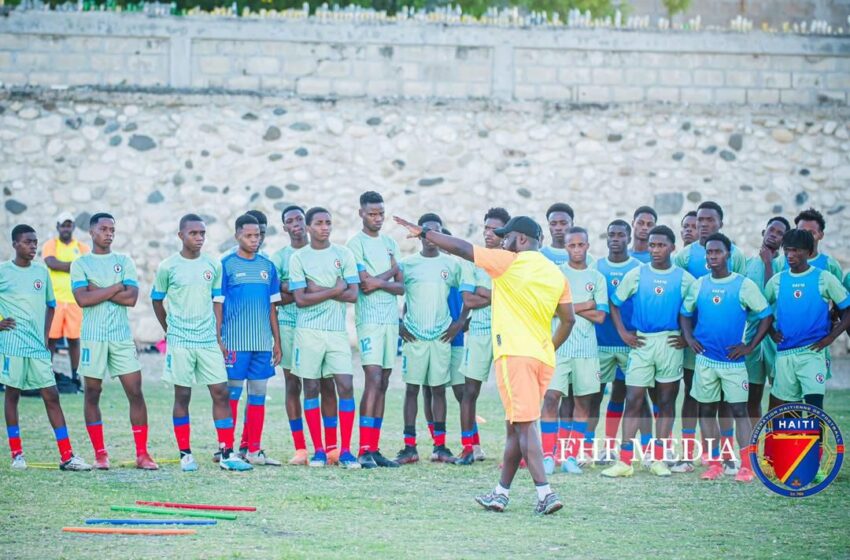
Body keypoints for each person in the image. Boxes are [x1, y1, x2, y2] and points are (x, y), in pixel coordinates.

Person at [395, 214, 575, 515]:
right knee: (515, 426)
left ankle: (545, 493)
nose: (501, 241)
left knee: (525, 424)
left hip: (515, 355)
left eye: (505, 237)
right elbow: (568, 319)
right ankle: (500, 493)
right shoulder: (556, 274)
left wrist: (426, 233)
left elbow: (463, 249)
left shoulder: (509, 262)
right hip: (541, 357)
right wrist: (549, 347)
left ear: (520, 239)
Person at [151, 214, 252, 472]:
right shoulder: (168, 267)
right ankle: (185, 454)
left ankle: (227, 453)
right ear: (181, 235)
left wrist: (218, 337)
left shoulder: (213, 265)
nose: (199, 238)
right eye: (193, 233)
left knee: (220, 392)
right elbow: (156, 300)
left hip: (207, 339)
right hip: (181, 340)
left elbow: (217, 302)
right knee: (182, 394)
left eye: (202, 234)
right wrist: (169, 330)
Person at [602, 225, 694, 478]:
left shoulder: (684, 278)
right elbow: (615, 302)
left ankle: (659, 459)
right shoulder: (637, 274)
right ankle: (624, 462)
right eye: (652, 245)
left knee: (665, 403)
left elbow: (699, 306)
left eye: (661, 245)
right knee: (633, 400)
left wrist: (688, 338)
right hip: (641, 343)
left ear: (672, 247)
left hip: (670, 343)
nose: (655, 250)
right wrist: (623, 332)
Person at [680, 233, 773, 482]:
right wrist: (689, 339)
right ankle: (714, 465)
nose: (712, 256)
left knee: (739, 411)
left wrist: (750, 346)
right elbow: (685, 313)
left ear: (728, 254)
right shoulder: (699, 284)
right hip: (705, 361)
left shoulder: (742, 284)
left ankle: (746, 466)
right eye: (709, 252)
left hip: (733, 362)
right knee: (707, 411)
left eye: (717, 252)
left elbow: (766, 314)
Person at [1, 225, 90, 471]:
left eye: (35, 242)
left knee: (51, 395)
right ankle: (17, 455)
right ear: (15, 244)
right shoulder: (3, 272)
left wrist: (46, 336)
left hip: (38, 347)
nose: (33, 246)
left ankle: (67, 456)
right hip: (11, 346)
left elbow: (51, 305)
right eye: (28, 242)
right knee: (12, 395)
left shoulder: (41, 272)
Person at [71, 213, 156, 470]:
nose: (109, 233)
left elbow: (131, 299)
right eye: (104, 229)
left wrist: (97, 289)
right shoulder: (81, 263)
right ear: (92, 232)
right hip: (93, 338)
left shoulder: (124, 261)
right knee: (92, 393)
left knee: (135, 392)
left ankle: (142, 454)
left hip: (120, 337)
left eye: (112, 230)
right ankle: (100, 454)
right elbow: (82, 300)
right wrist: (115, 287)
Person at [764, 229, 850, 483]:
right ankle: (792, 462)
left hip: (812, 354)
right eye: (787, 250)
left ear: (809, 252)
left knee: (814, 410)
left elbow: (847, 310)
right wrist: (770, 331)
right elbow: (761, 310)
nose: (790, 255)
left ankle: (816, 464)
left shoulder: (824, 278)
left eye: (796, 251)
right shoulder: (777, 281)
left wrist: (830, 338)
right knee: (788, 412)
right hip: (785, 356)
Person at [672, 201, 746, 473]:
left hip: (724, 346)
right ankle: (688, 456)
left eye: (709, 220)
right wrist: (684, 335)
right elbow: (677, 297)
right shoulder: (685, 256)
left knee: (726, 401)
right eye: (699, 220)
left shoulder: (735, 255)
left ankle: (726, 457)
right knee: (693, 397)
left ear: (720, 224)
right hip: (695, 343)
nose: (703, 225)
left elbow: (743, 297)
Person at [289, 207, 361, 469]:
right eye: (319, 223)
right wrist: (334, 289)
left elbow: (353, 294)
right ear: (308, 227)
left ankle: (344, 450)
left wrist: (317, 290)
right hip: (308, 333)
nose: (325, 227)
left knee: (345, 386)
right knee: (311, 389)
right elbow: (300, 300)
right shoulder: (299, 258)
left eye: (328, 222)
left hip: (336, 333)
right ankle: (318, 450)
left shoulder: (344, 254)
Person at [395, 214, 464, 465]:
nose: (432, 237)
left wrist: (461, 322)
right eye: (427, 231)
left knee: (438, 391)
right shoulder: (407, 264)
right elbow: (391, 291)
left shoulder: (452, 265)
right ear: (419, 234)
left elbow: (468, 291)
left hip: (441, 336)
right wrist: (397, 322)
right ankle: (409, 447)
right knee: (412, 389)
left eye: (437, 232)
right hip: (414, 336)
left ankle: (440, 447)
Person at [215, 213, 282, 466]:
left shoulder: (267, 266)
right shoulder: (226, 265)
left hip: (262, 344)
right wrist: (219, 338)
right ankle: (227, 449)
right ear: (237, 236)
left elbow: (272, 307)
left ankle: (253, 450)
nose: (255, 240)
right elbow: (218, 305)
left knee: (258, 395)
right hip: (234, 343)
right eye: (249, 236)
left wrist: (277, 341)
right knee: (231, 395)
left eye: (258, 235)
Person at [541, 227, 607, 475]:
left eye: (581, 245)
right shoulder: (556, 275)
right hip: (558, 346)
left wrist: (569, 308)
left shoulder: (596, 277)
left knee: (583, 402)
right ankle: (548, 455)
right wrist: (586, 304)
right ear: (565, 247)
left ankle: (570, 456)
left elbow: (600, 316)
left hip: (586, 350)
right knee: (550, 398)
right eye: (572, 245)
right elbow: (549, 310)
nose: (577, 249)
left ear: (588, 246)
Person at [346, 192, 404, 469]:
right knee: (372, 378)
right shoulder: (354, 245)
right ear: (361, 213)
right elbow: (364, 285)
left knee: (384, 381)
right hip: (369, 320)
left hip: (390, 320)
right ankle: (363, 449)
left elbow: (402, 286)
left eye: (380, 213)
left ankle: (375, 446)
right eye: (372, 214)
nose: (377, 218)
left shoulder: (391, 243)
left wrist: (381, 279)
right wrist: (388, 276)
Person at [455, 207, 510, 465]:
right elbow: (468, 299)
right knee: (470, 391)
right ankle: (469, 446)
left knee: (511, 394)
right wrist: (498, 295)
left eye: (495, 229)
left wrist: (484, 292)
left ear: (506, 232)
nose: (489, 233)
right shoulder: (474, 260)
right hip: (478, 332)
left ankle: (515, 449)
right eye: (486, 228)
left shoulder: (514, 260)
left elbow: (514, 299)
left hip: (508, 332)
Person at [594, 220, 649, 463]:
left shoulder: (639, 267)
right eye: (611, 234)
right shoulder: (596, 267)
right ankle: (605, 447)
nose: (615, 238)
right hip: (600, 343)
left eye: (620, 234)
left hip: (631, 344)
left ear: (629, 238)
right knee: (597, 396)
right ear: (607, 239)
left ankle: (648, 451)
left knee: (637, 396)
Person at [271, 206, 311, 466]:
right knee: (292, 385)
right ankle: (300, 448)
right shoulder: (279, 257)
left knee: (319, 386)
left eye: (299, 219)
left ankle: (326, 447)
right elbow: (275, 296)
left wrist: (295, 293)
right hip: (287, 326)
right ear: (284, 227)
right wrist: (298, 290)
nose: (295, 224)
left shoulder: (318, 252)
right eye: (290, 221)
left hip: (316, 325)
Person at [743, 216, 789, 425]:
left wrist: (768, 263)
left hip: (776, 338)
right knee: (752, 397)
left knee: (779, 396)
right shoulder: (748, 264)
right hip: (752, 337)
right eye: (772, 230)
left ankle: (775, 444)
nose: (774, 235)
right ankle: (754, 445)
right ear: (764, 232)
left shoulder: (785, 265)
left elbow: (773, 297)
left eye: (780, 234)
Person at [42, 212, 90, 390]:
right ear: (57, 227)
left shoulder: (82, 247)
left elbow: (87, 266)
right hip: (54, 300)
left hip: (74, 300)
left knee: (74, 340)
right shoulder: (51, 244)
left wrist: (67, 265)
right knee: (51, 339)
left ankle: (75, 376)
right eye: (63, 225)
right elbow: (51, 263)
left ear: (73, 227)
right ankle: (46, 375)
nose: (66, 228)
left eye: (69, 225)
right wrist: (75, 265)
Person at [792, 208, 844, 281]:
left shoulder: (831, 266)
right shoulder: (780, 263)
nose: (806, 236)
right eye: (802, 232)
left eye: (811, 233)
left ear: (821, 235)